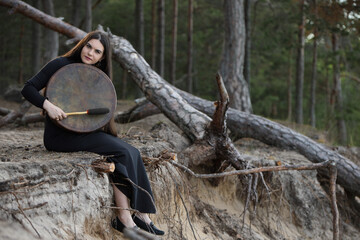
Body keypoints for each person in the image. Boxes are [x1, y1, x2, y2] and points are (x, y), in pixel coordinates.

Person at [21, 30, 164, 236]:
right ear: (82, 44)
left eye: (97, 51)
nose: (90, 53)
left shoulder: (97, 77)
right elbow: (28, 88)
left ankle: (139, 215)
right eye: (89, 46)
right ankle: (127, 218)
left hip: (83, 134)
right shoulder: (59, 65)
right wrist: (48, 106)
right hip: (59, 138)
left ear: (102, 57)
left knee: (131, 152)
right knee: (123, 152)